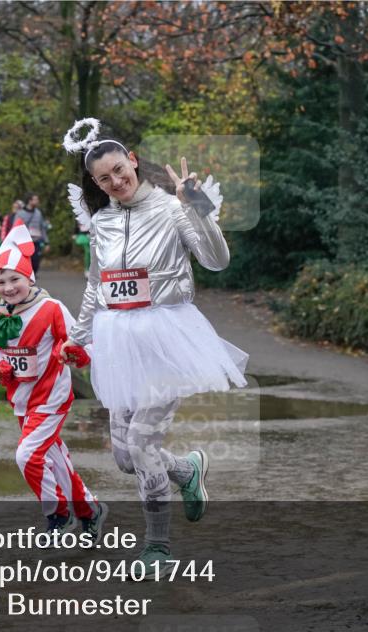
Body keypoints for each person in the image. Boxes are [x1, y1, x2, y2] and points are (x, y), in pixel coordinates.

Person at [59, 118, 247, 578]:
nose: (115, 181)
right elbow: (96, 285)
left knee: (142, 445)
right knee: (126, 458)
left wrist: (197, 206)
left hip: (165, 338)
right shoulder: (102, 221)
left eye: (119, 170)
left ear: (133, 161)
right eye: (104, 178)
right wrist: (77, 336)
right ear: (96, 183)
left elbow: (217, 260)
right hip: (117, 342)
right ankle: (187, 471)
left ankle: (157, 547)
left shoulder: (172, 208)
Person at [0, 220, 107, 540]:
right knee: (54, 459)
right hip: (20, 400)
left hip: (52, 397)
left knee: (27, 456)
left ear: (30, 278)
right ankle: (89, 510)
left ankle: (58, 514)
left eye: (15, 279)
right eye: (1, 281)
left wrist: (77, 355)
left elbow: (82, 343)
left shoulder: (51, 309)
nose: (8, 287)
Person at [14, 193, 50, 276]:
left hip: (36, 241)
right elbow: (15, 228)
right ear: (30, 201)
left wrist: (46, 242)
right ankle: (27, 275)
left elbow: (42, 228)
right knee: (25, 260)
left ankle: (32, 274)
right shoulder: (20, 213)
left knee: (36, 260)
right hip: (24, 241)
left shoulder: (38, 213)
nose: (38, 201)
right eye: (35, 199)